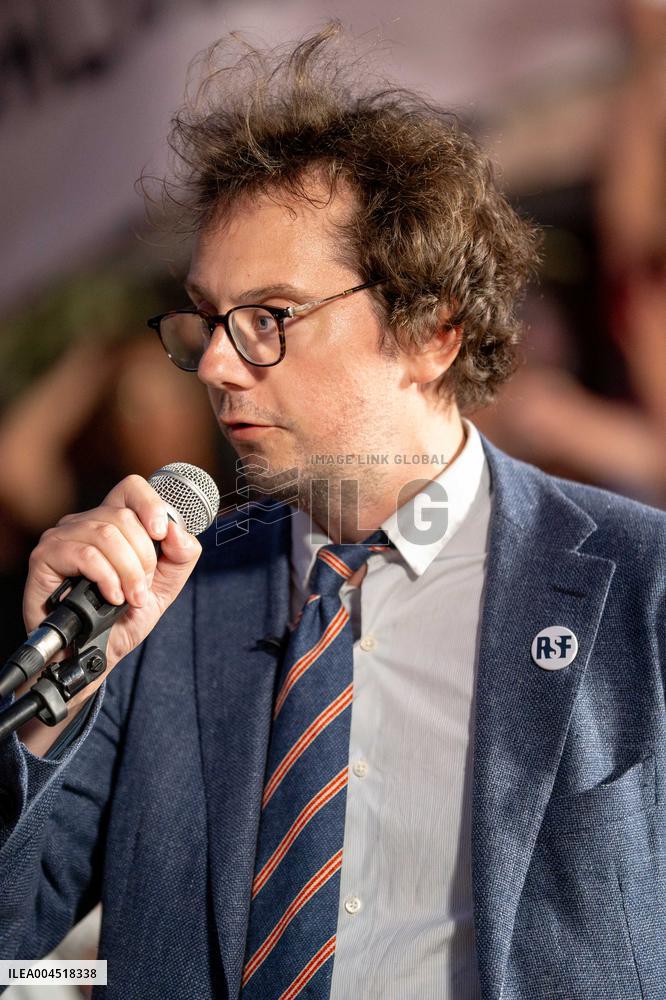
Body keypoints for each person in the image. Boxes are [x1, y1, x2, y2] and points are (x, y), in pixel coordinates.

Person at [1, 25, 664, 1000]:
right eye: (207, 320)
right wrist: (56, 698)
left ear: (432, 329)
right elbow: (14, 938)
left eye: (268, 319)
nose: (216, 364)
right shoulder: (156, 600)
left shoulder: (640, 581)